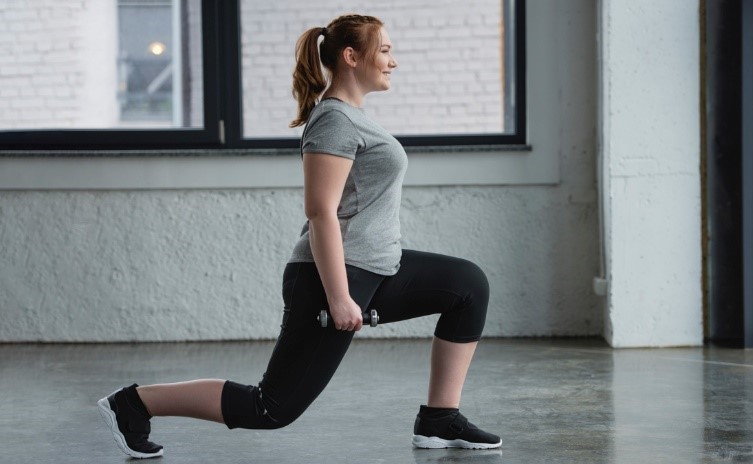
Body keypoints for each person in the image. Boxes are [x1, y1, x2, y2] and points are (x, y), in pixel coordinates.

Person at [97, 13, 501, 459]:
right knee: (270, 407)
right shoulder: (333, 121)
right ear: (352, 57)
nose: (393, 61)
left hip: (376, 267)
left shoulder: (352, 118)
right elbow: (320, 212)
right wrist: (340, 296)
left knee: (467, 285)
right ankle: (134, 403)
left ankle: (440, 419)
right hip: (333, 275)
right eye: (384, 51)